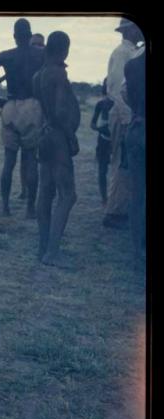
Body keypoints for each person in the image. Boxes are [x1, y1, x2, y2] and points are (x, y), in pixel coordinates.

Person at [0, 18, 44, 219]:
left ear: (14, 36)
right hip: (33, 106)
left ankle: (5, 207)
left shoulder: (6, 55)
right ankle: (30, 209)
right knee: (31, 159)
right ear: (30, 34)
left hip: (11, 106)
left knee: (9, 161)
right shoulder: (41, 54)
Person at [33, 31, 80, 268]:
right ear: (64, 49)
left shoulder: (38, 74)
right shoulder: (58, 74)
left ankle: (43, 247)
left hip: (45, 135)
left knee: (46, 191)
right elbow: (61, 111)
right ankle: (52, 252)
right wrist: (71, 137)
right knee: (67, 194)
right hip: (59, 136)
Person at [103, 18, 144, 229]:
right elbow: (119, 90)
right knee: (122, 163)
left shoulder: (130, 52)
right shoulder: (123, 54)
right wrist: (129, 118)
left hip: (127, 114)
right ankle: (115, 211)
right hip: (124, 115)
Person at [123, 49, 145, 270]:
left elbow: (125, 95)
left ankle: (136, 250)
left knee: (137, 194)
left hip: (136, 126)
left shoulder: (131, 65)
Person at [90, 78, 113, 205]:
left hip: (115, 140)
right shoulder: (101, 104)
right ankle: (104, 198)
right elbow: (92, 124)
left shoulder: (121, 104)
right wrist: (101, 129)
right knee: (102, 170)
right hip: (104, 140)